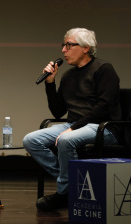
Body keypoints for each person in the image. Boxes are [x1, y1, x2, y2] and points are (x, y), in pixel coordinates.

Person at [23, 28, 121, 211]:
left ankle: (63, 193)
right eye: (64, 45)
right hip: (74, 125)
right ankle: (72, 185)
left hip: (103, 128)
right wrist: (50, 83)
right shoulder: (68, 76)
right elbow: (58, 111)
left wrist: (73, 128)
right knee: (31, 140)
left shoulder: (103, 69)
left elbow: (104, 107)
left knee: (66, 140)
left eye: (68, 45)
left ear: (85, 48)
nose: (63, 50)